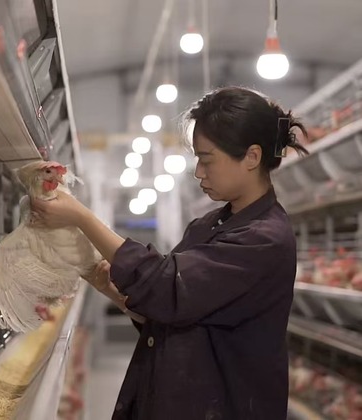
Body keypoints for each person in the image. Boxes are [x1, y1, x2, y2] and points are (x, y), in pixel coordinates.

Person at [31, 86, 309, 420]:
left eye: (207, 160)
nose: (198, 173)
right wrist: (104, 280)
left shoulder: (263, 239)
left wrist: (82, 217)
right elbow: (171, 310)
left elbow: (168, 287)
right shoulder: (209, 225)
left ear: (251, 157)